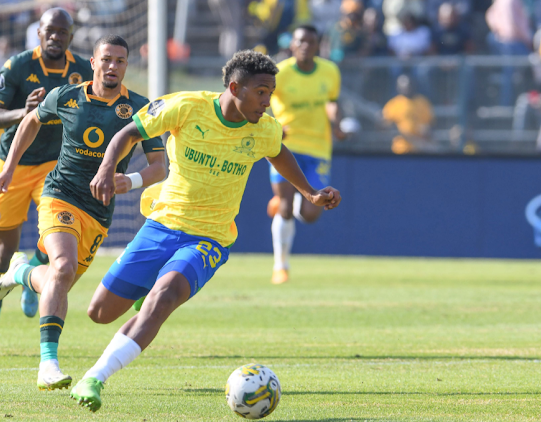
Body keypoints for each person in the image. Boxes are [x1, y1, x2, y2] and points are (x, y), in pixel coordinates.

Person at [68, 50, 341, 412]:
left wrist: (309, 192)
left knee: (163, 298)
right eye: (261, 92)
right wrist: (105, 169)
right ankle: (148, 290)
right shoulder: (185, 107)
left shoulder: (264, 129)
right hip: (163, 224)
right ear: (234, 87)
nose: (267, 101)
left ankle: (95, 378)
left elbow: (279, 153)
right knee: (99, 312)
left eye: (271, 93)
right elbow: (127, 133)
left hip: (209, 238)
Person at [0, 35, 166, 390]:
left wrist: (128, 181)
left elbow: (160, 166)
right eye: (107, 59)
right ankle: (48, 364)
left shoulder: (140, 108)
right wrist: (9, 166)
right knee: (63, 267)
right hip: (60, 195)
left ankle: (21, 272)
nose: (112, 66)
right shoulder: (67, 95)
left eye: (120, 60)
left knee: (59, 278)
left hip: (98, 213)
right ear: (94, 61)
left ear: (126, 66)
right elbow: (30, 121)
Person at [0, 7, 93, 358]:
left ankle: (31, 278)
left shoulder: (83, 71)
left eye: (62, 32)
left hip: (55, 168)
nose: (55, 37)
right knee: (2, 252)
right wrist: (21, 113)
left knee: (56, 236)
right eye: (49, 31)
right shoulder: (18, 66)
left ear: (71, 37)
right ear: (38, 33)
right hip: (12, 162)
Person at [267, 25, 344, 285]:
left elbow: (332, 102)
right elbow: (261, 100)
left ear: (318, 44)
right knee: (287, 208)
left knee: (312, 214)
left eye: (311, 42)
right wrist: (274, 127)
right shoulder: (281, 72)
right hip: (286, 147)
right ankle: (281, 266)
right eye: (300, 41)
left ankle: (284, 203)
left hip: (318, 148)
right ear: (292, 44)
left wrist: (337, 122)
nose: (305, 46)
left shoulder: (330, 71)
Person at [383, 74, 435, 154]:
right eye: (402, 86)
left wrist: (427, 129)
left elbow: (430, 123)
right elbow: (384, 125)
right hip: (400, 149)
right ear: (398, 87)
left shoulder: (423, 102)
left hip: (420, 148)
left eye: (408, 86)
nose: (406, 88)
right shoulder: (393, 104)